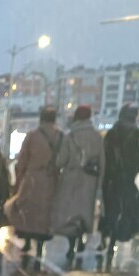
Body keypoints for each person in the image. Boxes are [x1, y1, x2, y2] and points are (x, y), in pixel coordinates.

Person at [4, 107, 62, 257]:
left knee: (29, 210)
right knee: (44, 213)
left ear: (41, 119)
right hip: (51, 179)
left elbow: (22, 158)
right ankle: (41, 244)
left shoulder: (32, 136)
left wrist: (19, 177)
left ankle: (28, 240)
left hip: (32, 179)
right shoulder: (60, 137)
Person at [51, 105, 105, 259]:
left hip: (71, 179)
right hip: (90, 180)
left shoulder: (70, 136)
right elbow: (102, 161)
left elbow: (61, 161)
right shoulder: (97, 137)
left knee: (71, 212)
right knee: (84, 211)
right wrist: (99, 183)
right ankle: (81, 238)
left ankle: (71, 243)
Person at [98, 105, 139, 259]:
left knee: (109, 209)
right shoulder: (137, 135)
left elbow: (105, 155)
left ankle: (105, 237)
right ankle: (118, 236)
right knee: (124, 209)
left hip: (111, 178)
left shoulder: (112, 133)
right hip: (127, 179)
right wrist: (131, 172)